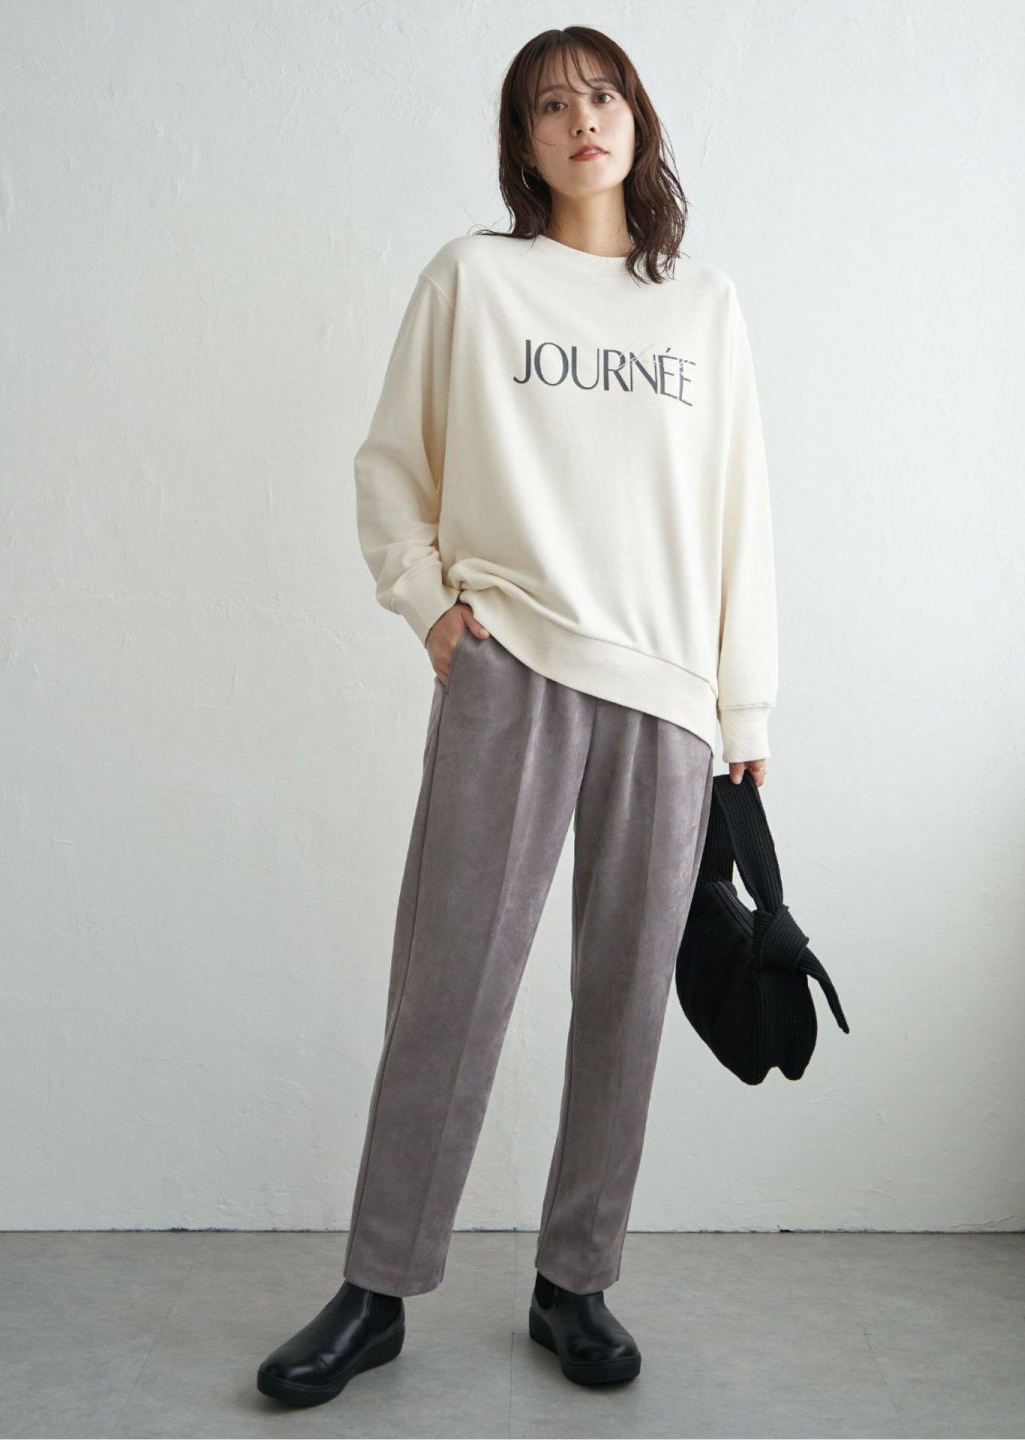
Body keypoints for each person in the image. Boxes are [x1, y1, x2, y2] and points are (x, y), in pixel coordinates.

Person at [257, 23, 778, 1408]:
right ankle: (377, 1290)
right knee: (452, 985)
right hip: (513, 665)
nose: (581, 120)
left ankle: (575, 1282)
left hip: (664, 695)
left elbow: (742, 510)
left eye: (602, 96)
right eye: (551, 105)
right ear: (524, 141)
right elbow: (391, 465)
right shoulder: (474, 281)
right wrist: (430, 607)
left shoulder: (703, 307)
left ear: (638, 121)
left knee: (625, 1002)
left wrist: (745, 701)